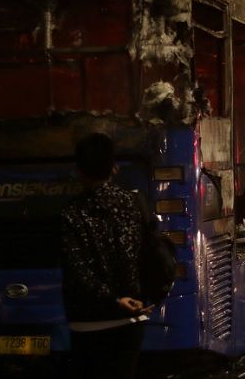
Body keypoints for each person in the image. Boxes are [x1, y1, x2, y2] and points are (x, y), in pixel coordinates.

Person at [60, 133, 151, 379]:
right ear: (113, 168)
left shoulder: (71, 213)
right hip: (130, 317)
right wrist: (130, 299)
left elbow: (78, 269)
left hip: (87, 322)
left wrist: (112, 299)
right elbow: (140, 252)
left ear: (79, 170)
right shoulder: (131, 203)